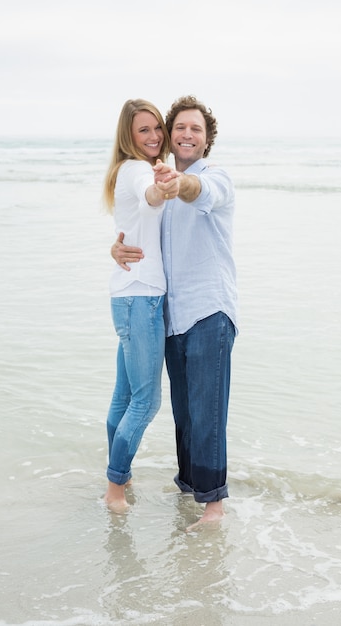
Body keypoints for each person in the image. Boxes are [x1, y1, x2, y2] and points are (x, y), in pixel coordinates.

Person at [112, 95, 238, 529]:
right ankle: (189, 488)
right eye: (180, 127)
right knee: (183, 412)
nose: (187, 134)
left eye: (196, 129)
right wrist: (116, 248)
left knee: (208, 411)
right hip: (170, 314)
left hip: (209, 310)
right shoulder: (157, 184)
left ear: (206, 141)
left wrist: (177, 184)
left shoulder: (213, 178)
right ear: (170, 134)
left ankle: (214, 507)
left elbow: (198, 191)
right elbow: (139, 229)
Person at [102, 99, 179, 514]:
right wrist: (161, 188)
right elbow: (148, 194)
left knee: (125, 396)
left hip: (127, 294)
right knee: (146, 402)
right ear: (129, 137)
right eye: (142, 131)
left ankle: (120, 478)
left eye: (156, 129)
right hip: (142, 297)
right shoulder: (136, 170)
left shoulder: (134, 168)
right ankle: (115, 490)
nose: (152, 137)